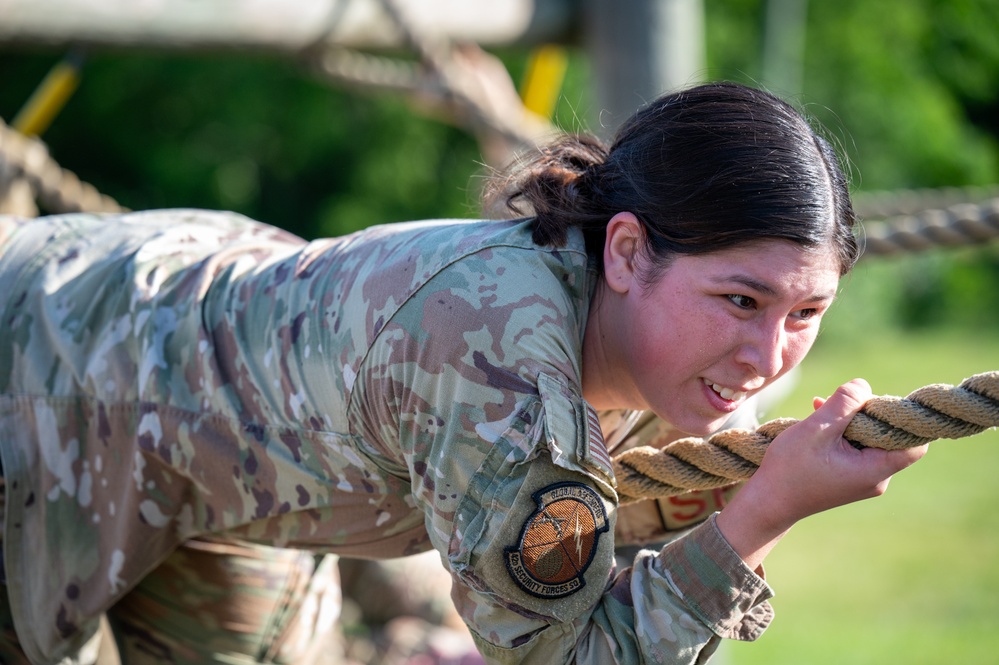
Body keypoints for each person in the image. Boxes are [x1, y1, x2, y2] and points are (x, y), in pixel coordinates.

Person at [0, 81, 928, 665]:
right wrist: (763, 513)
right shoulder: (499, 362)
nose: (767, 357)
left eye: (805, 313)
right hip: (68, 370)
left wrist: (734, 507)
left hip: (222, 428)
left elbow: (614, 591)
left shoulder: (675, 368)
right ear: (626, 251)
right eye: (740, 301)